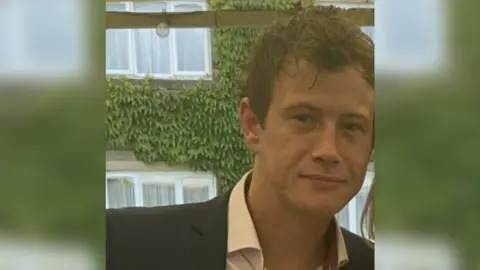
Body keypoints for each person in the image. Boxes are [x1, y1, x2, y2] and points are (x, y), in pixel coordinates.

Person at [107, 5, 374, 270]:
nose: (328, 150)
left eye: (351, 126)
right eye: (304, 119)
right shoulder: (121, 246)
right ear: (252, 124)